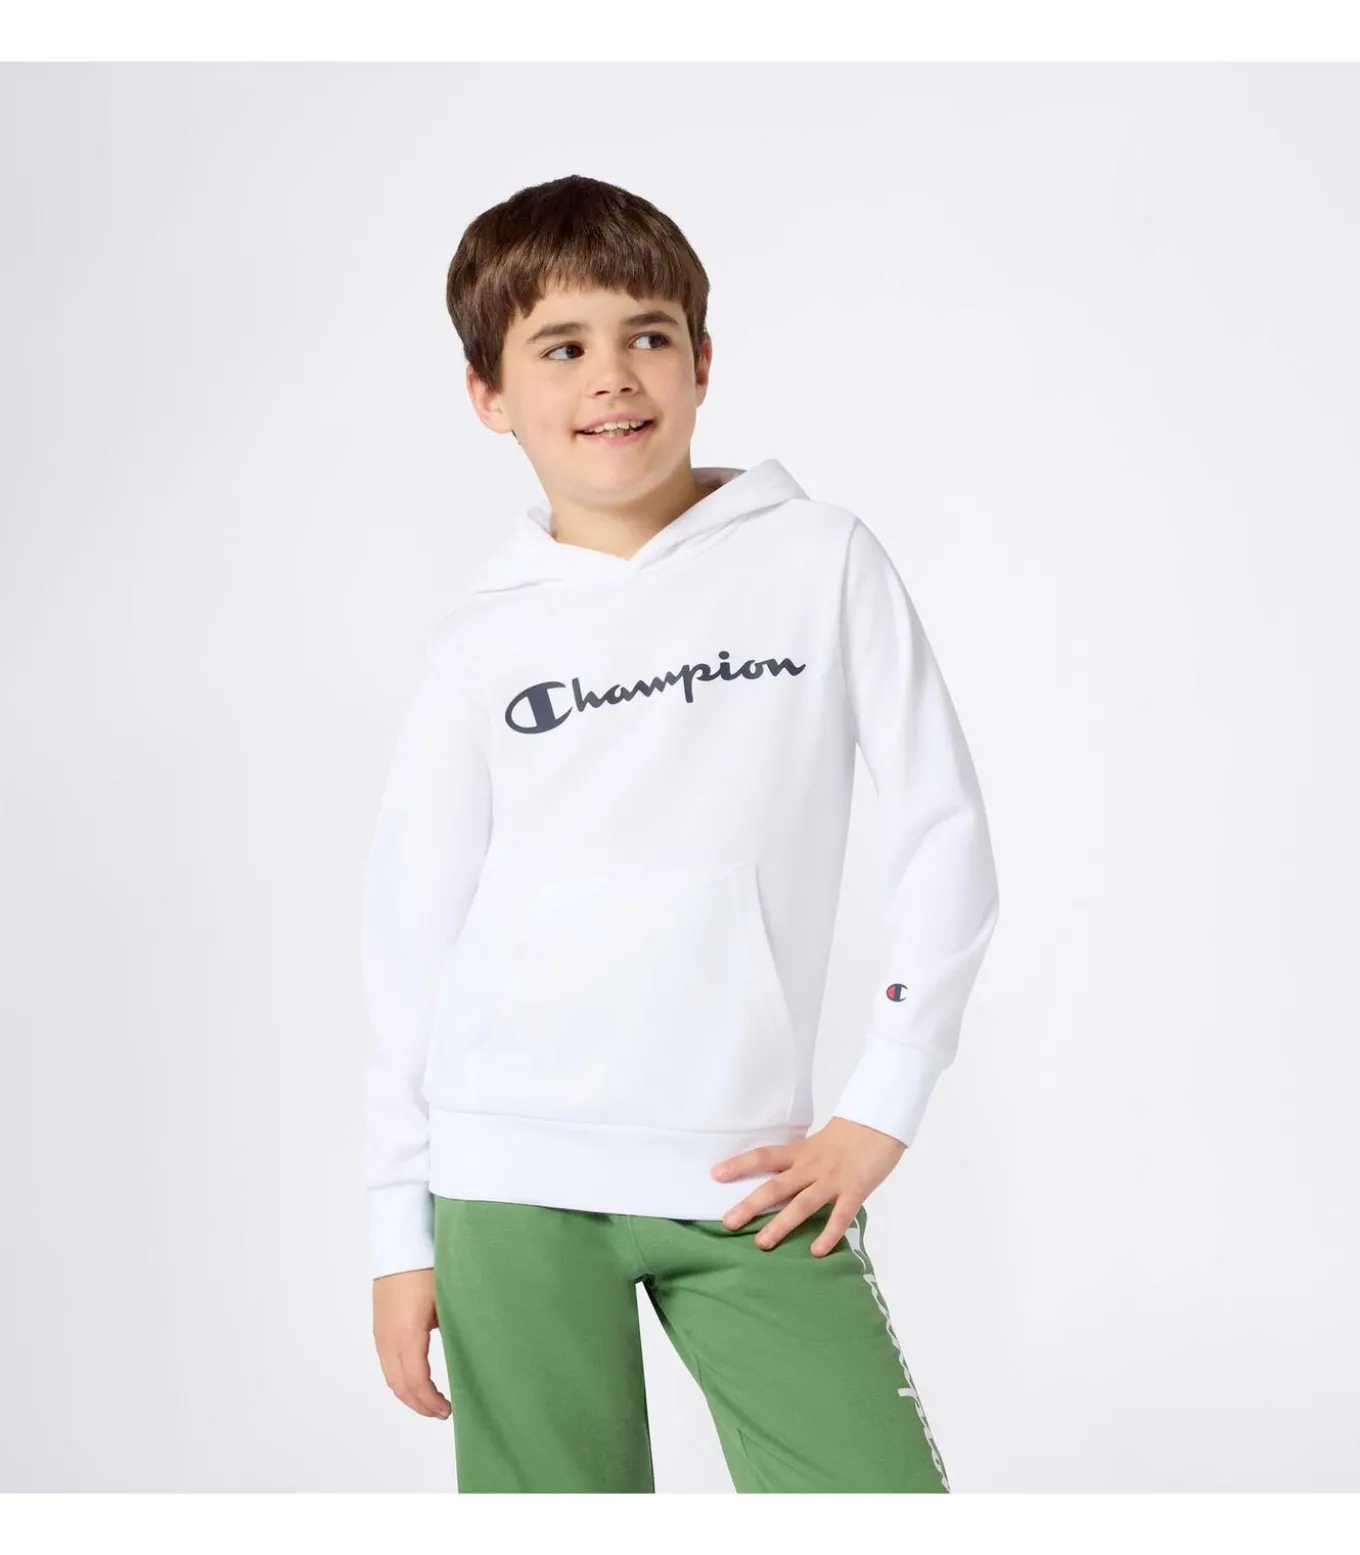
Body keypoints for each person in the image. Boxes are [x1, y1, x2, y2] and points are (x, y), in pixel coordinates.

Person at [360, 173, 1000, 1493]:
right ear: (490, 395)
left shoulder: (819, 559)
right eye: (561, 347)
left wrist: (884, 1099)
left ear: (702, 362)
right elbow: (409, 941)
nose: (612, 376)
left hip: (752, 1173)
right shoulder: (481, 642)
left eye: (646, 335)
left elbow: (943, 834)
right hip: (509, 1179)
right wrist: (396, 1224)